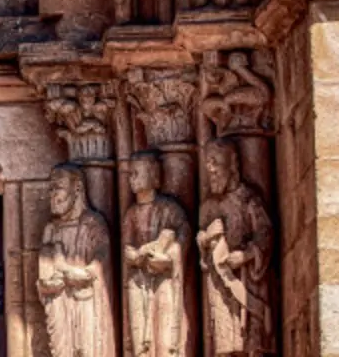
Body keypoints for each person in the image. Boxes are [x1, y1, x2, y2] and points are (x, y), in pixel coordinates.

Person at [197, 139, 273, 356]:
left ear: (232, 165)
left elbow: (264, 234)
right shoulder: (209, 206)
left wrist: (246, 255)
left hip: (247, 280)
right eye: (207, 163)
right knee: (223, 346)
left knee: (251, 343)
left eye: (215, 162)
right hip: (219, 283)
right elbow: (202, 249)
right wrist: (203, 241)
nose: (210, 169)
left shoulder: (249, 200)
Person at [38, 164, 116, 357]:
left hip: (86, 304)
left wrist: (79, 273)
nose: (53, 194)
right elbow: (45, 270)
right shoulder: (51, 229)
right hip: (59, 303)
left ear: (78, 189)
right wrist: (48, 281)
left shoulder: (93, 224)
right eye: (51, 188)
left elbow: (100, 263)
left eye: (59, 187)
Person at [123, 151, 190, 357]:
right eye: (130, 173)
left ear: (153, 175)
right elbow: (126, 247)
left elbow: (183, 236)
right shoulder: (131, 213)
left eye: (136, 173)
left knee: (164, 335)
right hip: (138, 281)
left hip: (164, 280)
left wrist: (168, 258)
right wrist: (133, 255)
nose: (130, 178)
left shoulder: (170, 209)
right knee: (140, 342)